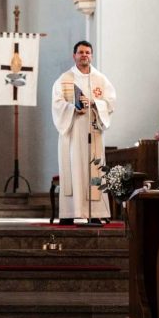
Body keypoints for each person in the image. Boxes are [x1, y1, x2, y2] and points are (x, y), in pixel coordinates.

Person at [51, 41, 117, 224]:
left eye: (87, 52)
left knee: (94, 170)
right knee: (73, 170)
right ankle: (70, 213)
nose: (84, 55)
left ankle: (94, 213)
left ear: (92, 56)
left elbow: (111, 102)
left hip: (93, 134)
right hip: (72, 133)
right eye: (80, 52)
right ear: (74, 56)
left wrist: (95, 103)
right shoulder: (64, 79)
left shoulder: (100, 80)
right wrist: (73, 107)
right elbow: (56, 104)